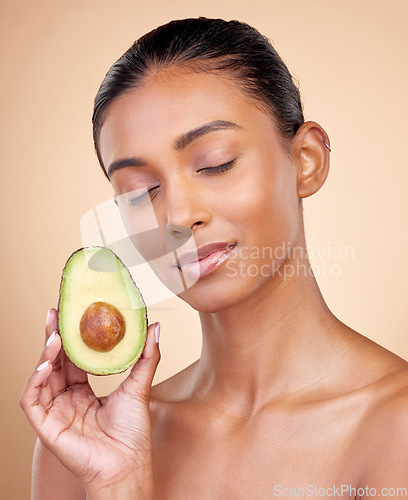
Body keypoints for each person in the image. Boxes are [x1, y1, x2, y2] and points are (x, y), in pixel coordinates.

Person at [20, 17, 408, 499]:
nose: (179, 215)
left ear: (306, 160)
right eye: (140, 193)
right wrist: (118, 484)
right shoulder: (85, 449)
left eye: (216, 163)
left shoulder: (398, 428)